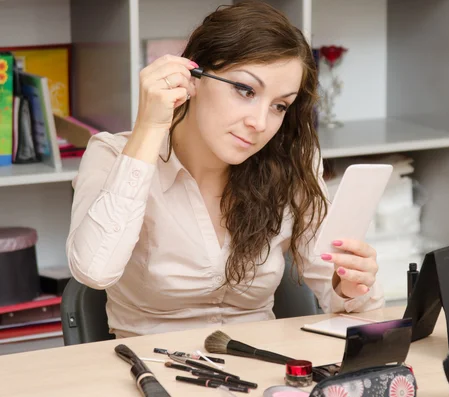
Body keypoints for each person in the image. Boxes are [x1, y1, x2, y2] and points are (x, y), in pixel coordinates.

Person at [66, 1, 384, 339]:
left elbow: (342, 300)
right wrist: (149, 126)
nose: (259, 123)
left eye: (279, 106)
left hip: (258, 367)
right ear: (193, 77)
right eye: (245, 90)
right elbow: (94, 271)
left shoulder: (291, 161)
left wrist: (350, 285)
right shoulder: (112, 155)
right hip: (148, 370)